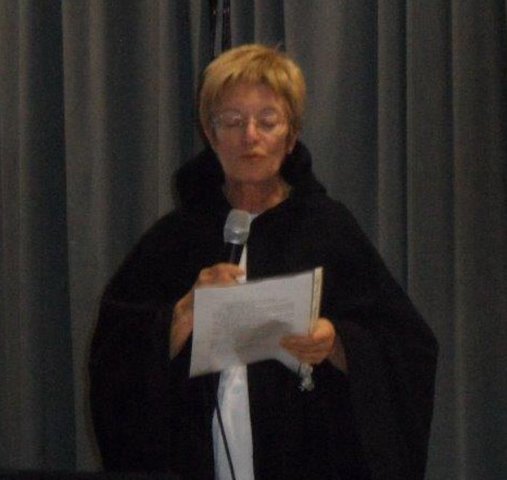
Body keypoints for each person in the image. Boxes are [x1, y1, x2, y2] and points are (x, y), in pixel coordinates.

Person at [89, 44, 438, 480]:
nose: (249, 136)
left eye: (267, 121)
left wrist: (337, 343)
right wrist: (179, 318)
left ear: (291, 136)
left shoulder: (328, 229)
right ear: (210, 133)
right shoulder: (174, 239)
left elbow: (407, 348)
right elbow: (113, 361)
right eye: (233, 121)